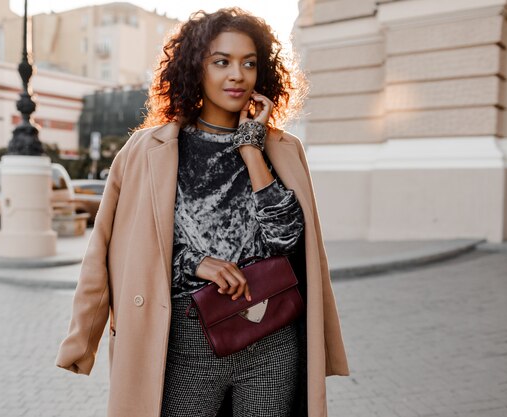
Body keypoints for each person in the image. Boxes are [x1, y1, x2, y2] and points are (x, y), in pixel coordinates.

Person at [56, 7, 349, 417]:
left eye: (249, 63)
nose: (237, 75)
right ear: (196, 67)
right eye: (221, 62)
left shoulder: (282, 148)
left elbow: (288, 239)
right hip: (184, 340)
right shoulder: (146, 151)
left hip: (271, 338)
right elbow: (106, 250)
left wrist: (251, 149)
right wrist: (196, 264)